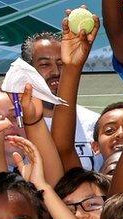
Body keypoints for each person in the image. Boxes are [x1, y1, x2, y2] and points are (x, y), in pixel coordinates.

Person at [21, 32, 101, 170]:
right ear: (27, 71)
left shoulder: (94, 123)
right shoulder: (16, 128)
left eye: (61, 63)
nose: (56, 72)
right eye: (45, 64)